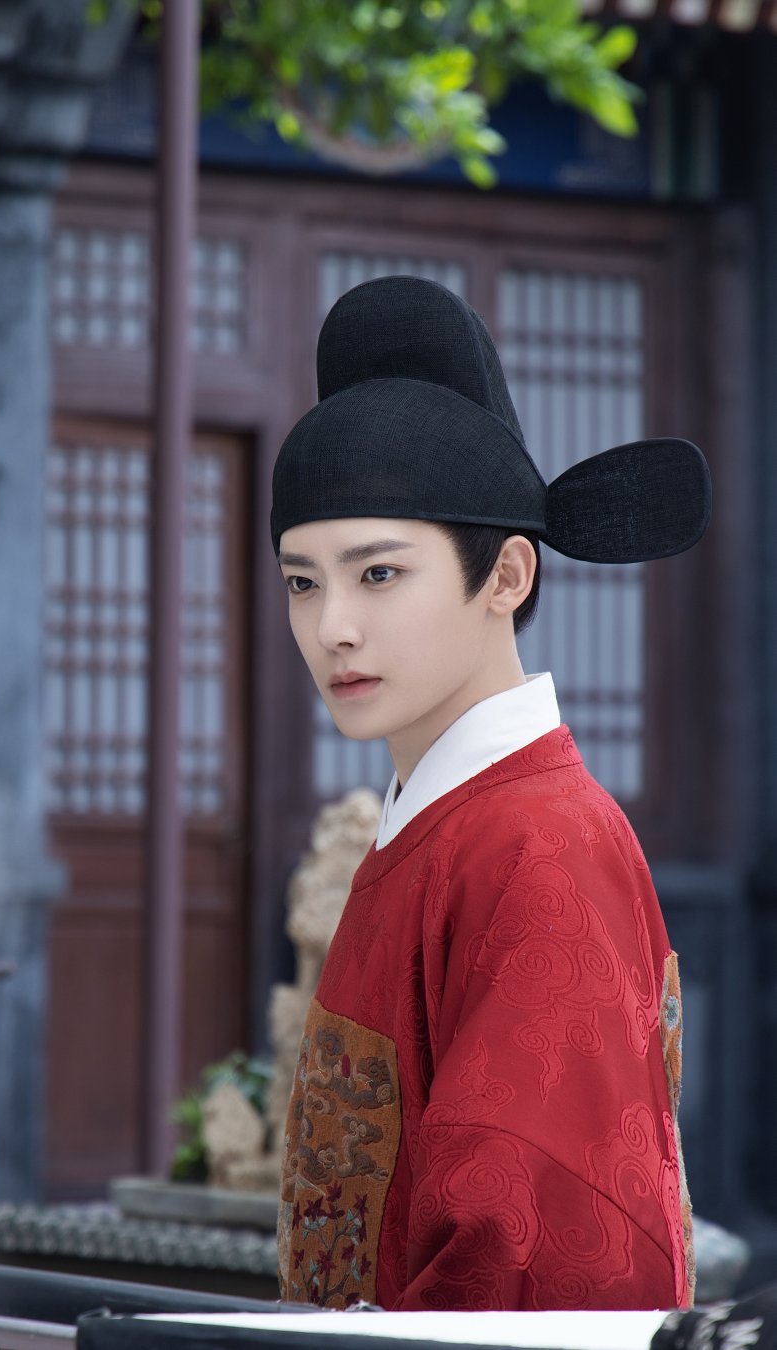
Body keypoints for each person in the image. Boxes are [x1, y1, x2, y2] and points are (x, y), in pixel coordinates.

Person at [271, 276, 710, 1313]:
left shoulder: (541, 849)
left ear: (507, 576)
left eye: (379, 575)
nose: (333, 627)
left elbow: (526, 1252)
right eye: (302, 581)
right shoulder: (444, 825)